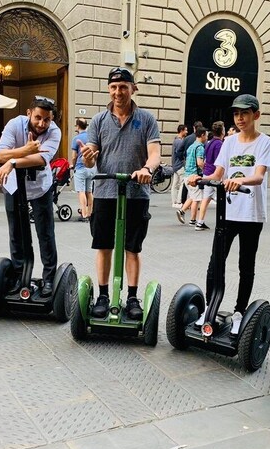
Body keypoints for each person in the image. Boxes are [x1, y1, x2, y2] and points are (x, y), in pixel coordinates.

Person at [187, 95, 270, 334]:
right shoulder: (229, 142)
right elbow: (218, 174)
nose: (240, 118)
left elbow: (258, 176)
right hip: (228, 213)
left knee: (245, 265)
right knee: (216, 261)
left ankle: (239, 311)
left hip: (252, 213)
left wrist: (238, 181)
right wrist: (200, 178)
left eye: (245, 113)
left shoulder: (264, 142)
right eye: (236, 114)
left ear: (256, 115)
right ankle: (209, 308)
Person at [81, 66, 161, 319]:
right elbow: (91, 159)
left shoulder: (146, 119)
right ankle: (103, 295)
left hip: (137, 193)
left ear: (132, 89)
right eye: (114, 87)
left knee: (132, 248)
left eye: (123, 87)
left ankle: (133, 297)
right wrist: (88, 158)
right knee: (103, 246)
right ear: (109, 89)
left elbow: (155, 153)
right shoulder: (98, 120)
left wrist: (147, 168)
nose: (118, 92)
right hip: (105, 192)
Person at [0, 96, 61, 296]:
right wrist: (25, 150)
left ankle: (49, 279)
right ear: (29, 113)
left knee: (45, 233)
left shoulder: (54, 131)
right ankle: (19, 275)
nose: (42, 124)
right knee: (17, 233)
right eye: (38, 118)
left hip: (40, 186)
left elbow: (41, 158)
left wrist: (12, 162)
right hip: (14, 185)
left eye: (47, 119)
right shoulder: (15, 124)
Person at [194, 120, 225, 231]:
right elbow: (219, 161)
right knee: (223, 199)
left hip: (207, 172)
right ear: (222, 131)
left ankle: (199, 222)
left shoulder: (209, 142)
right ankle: (225, 222)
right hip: (214, 174)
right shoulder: (219, 144)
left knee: (205, 199)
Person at [176, 127, 207, 226]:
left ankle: (182, 211)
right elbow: (199, 163)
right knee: (196, 199)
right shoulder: (200, 147)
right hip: (194, 175)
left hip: (187, 174)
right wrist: (205, 168)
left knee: (193, 196)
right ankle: (193, 219)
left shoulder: (191, 146)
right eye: (206, 135)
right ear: (202, 135)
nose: (206, 137)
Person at [70, 117, 93, 221]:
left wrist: (72, 165)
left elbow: (74, 156)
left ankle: (83, 214)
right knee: (89, 191)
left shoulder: (76, 138)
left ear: (77, 126)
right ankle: (90, 213)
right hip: (91, 168)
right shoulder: (91, 137)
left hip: (80, 167)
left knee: (81, 192)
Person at [171, 124, 188, 208]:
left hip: (175, 165)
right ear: (182, 131)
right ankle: (178, 201)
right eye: (185, 130)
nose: (187, 132)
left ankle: (174, 201)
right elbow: (179, 153)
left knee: (175, 184)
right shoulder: (179, 141)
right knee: (182, 183)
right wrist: (183, 160)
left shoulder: (175, 140)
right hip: (179, 165)